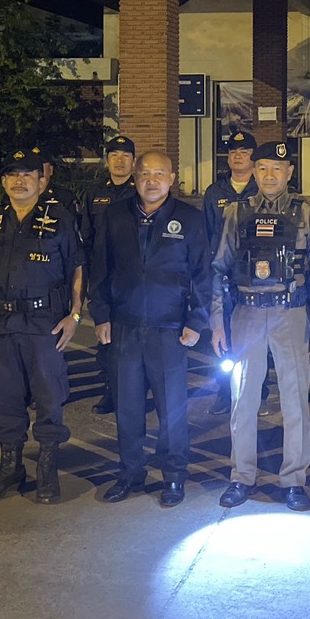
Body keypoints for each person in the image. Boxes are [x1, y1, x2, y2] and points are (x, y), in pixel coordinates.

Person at [91, 150, 212, 508]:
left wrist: (197, 322)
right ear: (135, 178)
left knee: (172, 410)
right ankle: (130, 473)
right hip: (125, 328)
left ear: (172, 178)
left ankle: (173, 475)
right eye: (145, 174)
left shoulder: (189, 219)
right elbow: (100, 269)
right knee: (127, 409)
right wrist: (101, 316)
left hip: (170, 330)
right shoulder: (115, 215)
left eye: (160, 174)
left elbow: (203, 274)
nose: (152, 181)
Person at [0, 146, 85, 503]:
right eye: (13, 175)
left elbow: (78, 267)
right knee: (4, 397)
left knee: (49, 397)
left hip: (44, 322)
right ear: (4, 182)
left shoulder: (60, 218)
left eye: (27, 175)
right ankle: (10, 467)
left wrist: (75, 315)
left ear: (41, 180)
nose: (20, 181)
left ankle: (47, 469)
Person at [210, 141, 310, 511]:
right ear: (253, 171)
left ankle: (294, 481)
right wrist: (217, 322)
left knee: (295, 400)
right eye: (262, 168)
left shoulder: (305, 213)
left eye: (277, 168)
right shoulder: (236, 212)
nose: (269, 175)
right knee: (242, 399)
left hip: (292, 313)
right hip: (248, 315)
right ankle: (241, 476)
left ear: (290, 172)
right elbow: (218, 268)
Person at [203, 130, 259, 415]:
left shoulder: (261, 188)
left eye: (245, 152)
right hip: (223, 276)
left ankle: (259, 392)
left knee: (255, 337)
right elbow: (206, 234)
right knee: (221, 334)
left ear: (253, 157)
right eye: (234, 152)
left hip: (255, 276)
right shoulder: (215, 192)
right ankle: (225, 392)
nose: (238, 156)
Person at [80, 134, 138, 415]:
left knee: (135, 335)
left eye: (125, 156)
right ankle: (110, 390)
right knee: (106, 335)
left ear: (134, 162)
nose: (119, 161)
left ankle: (136, 390)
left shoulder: (140, 192)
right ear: (107, 161)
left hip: (133, 278)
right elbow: (86, 237)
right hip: (103, 277)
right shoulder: (93, 194)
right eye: (114, 155)